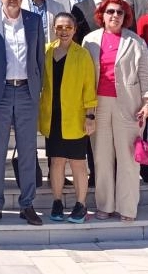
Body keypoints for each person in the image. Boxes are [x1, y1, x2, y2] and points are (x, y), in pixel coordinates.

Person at [81, 0, 148, 222]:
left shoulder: (135, 41)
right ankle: (105, 205)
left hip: (129, 105)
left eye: (119, 12)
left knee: (128, 159)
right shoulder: (90, 40)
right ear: (102, 16)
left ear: (125, 17)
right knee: (101, 158)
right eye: (110, 12)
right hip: (98, 105)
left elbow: (145, 74)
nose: (114, 16)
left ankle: (127, 208)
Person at [0, 0, 45, 226]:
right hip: (1, 93)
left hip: (27, 91)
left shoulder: (34, 21)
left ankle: (27, 204)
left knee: (28, 150)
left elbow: (39, 59)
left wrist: (38, 89)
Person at [39, 12, 96, 224]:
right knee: (56, 162)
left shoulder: (82, 54)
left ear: (75, 30)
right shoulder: (46, 51)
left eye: (68, 27)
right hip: (52, 117)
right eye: (60, 27)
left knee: (78, 163)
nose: (64, 31)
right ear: (54, 28)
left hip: (75, 117)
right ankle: (57, 202)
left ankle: (81, 204)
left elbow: (89, 87)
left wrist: (90, 115)